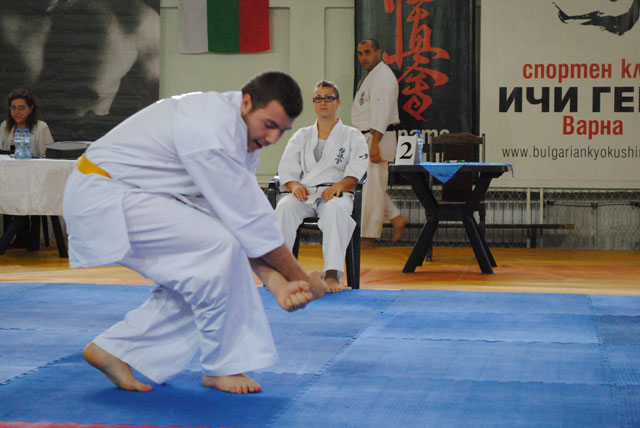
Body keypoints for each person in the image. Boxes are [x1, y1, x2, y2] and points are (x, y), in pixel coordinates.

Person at [63, 71, 327, 394]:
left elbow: (237, 219)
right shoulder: (212, 132)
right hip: (106, 195)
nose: (272, 138)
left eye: (281, 131)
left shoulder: (240, 135)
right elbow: (249, 222)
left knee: (206, 271)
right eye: (269, 125)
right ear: (246, 103)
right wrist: (301, 278)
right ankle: (222, 367)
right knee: (217, 250)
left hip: (129, 196)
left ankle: (117, 349)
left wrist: (277, 282)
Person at [275, 81, 369, 293]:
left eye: (328, 98)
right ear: (313, 103)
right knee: (284, 207)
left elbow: (356, 172)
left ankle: (332, 275)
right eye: (318, 98)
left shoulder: (352, 135)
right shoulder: (302, 135)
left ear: (338, 102)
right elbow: (287, 168)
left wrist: (340, 185)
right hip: (305, 192)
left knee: (335, 210)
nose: (323, 102)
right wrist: (294, 185)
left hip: (336, 194)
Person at [351, 38, 407, 249]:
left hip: (376, 138)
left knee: (372, 191)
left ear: (379, 52)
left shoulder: (383, 76)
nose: (363, 57)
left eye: (368, 52)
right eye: (360, 53)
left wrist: (375, 144)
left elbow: (381, 114)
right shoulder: (372, 75)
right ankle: (395, 218)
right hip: (366, 137)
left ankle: (368, 237)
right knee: (370, 187)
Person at [0, 88, 54, 157]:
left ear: (30, 109)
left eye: (21, 108)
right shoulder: (4, 125)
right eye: (13, 108)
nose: (17, 112)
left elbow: (48, 158)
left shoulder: (41, 127)